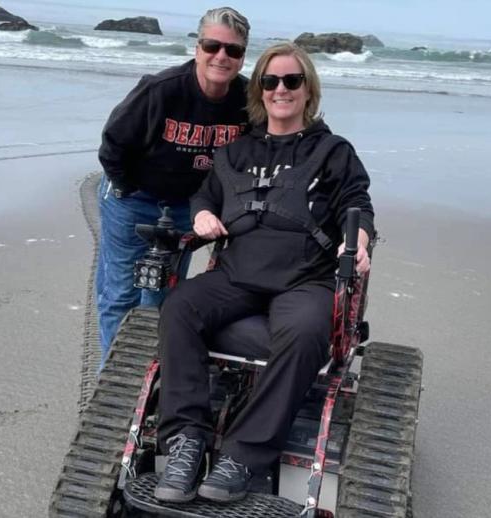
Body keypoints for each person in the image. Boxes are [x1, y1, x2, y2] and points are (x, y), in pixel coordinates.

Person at [154, 42, 374, 504]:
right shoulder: (236, 151)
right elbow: (205, 194)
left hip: (306, 278)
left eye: (292, 80)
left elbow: (357, 202)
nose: (281, 89)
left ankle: (242, 455)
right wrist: (202, 215)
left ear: (308, 89)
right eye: (271, 81)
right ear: (259, 90)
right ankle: (186, 440)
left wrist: (358, 241)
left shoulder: (333, 152)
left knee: (305, 331)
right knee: (179, 307)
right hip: (237, 274)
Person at [95, 7, 251, 369]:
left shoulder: (248, 101)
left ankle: (151, 373)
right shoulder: (160, 90)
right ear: (197, 48)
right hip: (134, 200)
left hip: (189, 207)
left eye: (233, 50)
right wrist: (127, 188)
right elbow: (113, 143)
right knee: (121, 294)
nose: (222, 56)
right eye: (212, 46)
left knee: (162, 292)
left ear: (243, 56)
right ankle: (113, 378)